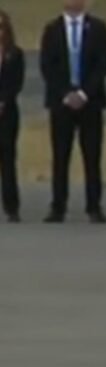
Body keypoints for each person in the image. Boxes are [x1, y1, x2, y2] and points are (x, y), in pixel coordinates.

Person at [39, 0, 106, 224]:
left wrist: (84, 93)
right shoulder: (52, 29)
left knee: (92, 156)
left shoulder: (98, 28)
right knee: (60, 156)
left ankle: (94, 206)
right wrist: (65, 93)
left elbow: (103, 63)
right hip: (61, 103)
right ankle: (58, 206)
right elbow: (47, 65)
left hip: (90, 102)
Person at [0, 10, 24, 223]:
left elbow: (16, 83)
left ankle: (12, 206)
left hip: (7, 113)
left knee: (7, 160)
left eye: (1, 27)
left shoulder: (15, 54)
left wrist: (3, 101)